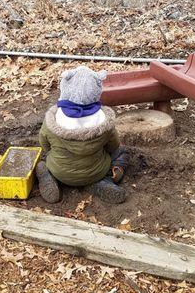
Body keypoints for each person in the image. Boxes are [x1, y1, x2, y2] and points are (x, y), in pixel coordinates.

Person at [37, 66, 128, 204]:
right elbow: (113, 146)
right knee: (122, 152)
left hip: (60, 172)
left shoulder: (53, 119)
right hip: (97, 171)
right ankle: (107, 178)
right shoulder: (104, 121)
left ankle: (48, 175)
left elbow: (44, 144)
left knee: (49, 158)